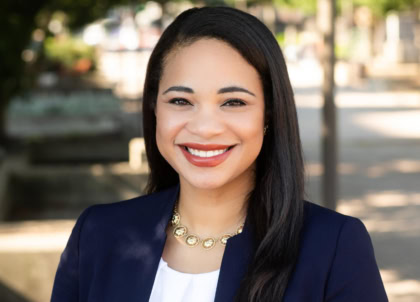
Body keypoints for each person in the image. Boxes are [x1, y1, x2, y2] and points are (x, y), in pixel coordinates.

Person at [51, 6, 388, 302]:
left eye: (233, 102)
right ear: (155, 108)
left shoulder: (334, 247)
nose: (205, 128)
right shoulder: (98, 234)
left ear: (269, 113)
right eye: (181, 101)